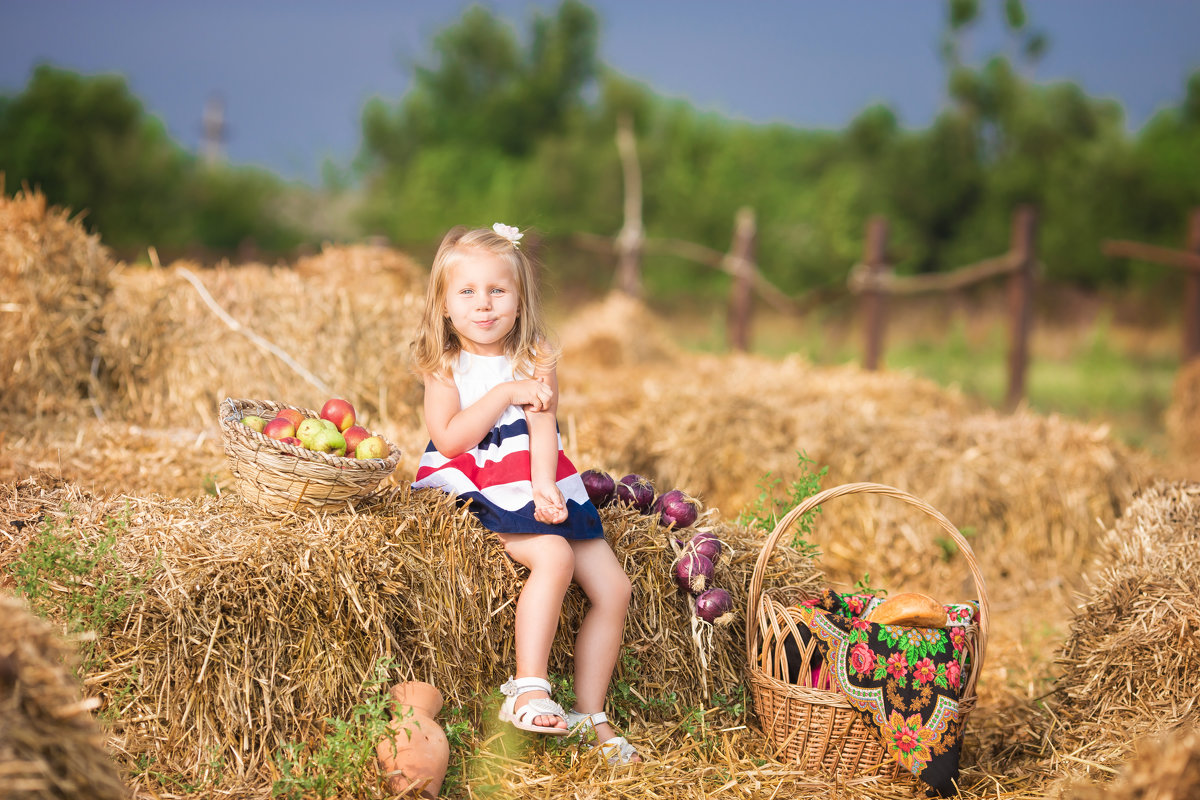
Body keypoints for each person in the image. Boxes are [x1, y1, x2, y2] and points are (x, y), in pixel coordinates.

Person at [410, 223, 640, 765]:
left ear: (521, 299)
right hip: (476, 477)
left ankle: (590, 714)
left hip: (537, 472)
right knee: (553, 555)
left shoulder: (537, 352)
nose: (483, 305)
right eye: (466, 292)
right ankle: (528, 689)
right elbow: (450, 438)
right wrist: (506, 392)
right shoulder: (443, 364)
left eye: (498, 290)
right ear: (444, 305)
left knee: (615, 587)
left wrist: (545, 489)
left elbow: (544, 427)